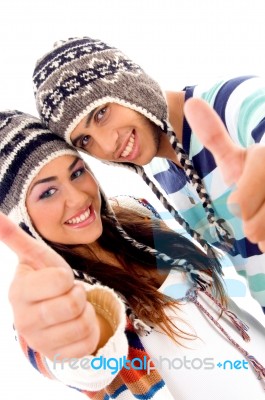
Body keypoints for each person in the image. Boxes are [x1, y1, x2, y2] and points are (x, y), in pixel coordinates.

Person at [0, 110, 265, 399]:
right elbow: (78, 362)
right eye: (47, 192)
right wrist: (79, 341)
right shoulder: (46, 302)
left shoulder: (138, 213)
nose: (78, 198)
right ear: (19, 216)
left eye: (77, 173)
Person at [32, 37, 265, 315]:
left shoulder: (236, 104)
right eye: (84, 140)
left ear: (127, 84)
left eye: (101, 113)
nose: (107, 146)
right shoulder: (161, 169)